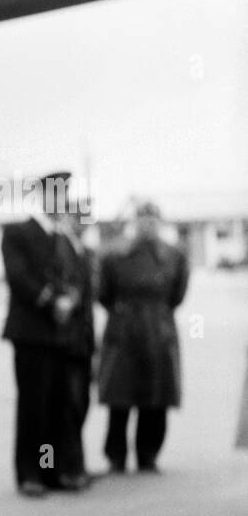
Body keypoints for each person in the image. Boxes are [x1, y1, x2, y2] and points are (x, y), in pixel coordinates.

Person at [0, 171, 95, 496]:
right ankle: (30, 474)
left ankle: (50, 470)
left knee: (57, 408)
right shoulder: (18, 232)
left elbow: (79, 279)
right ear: (41, 198)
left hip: (61, 337)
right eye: (56, 195)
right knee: (34, 408)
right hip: (32, 334)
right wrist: (52, 302)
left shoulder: (64, 238)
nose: (61, 202)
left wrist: (71, 301)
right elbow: (18, 277)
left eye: (64, 196)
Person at [97, 200, 189, 473]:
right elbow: (104, 294)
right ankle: (116, 456)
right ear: (134, 222)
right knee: (119, 397)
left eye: (153, 219)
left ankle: (148, 455)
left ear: (160, 223)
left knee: (156, 396)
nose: (147, 225)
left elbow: (178, 295)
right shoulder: (114, 256)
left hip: (159, 330)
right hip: (123, 329)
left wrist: (156, 313)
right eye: (142, 219)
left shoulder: (174, 256)